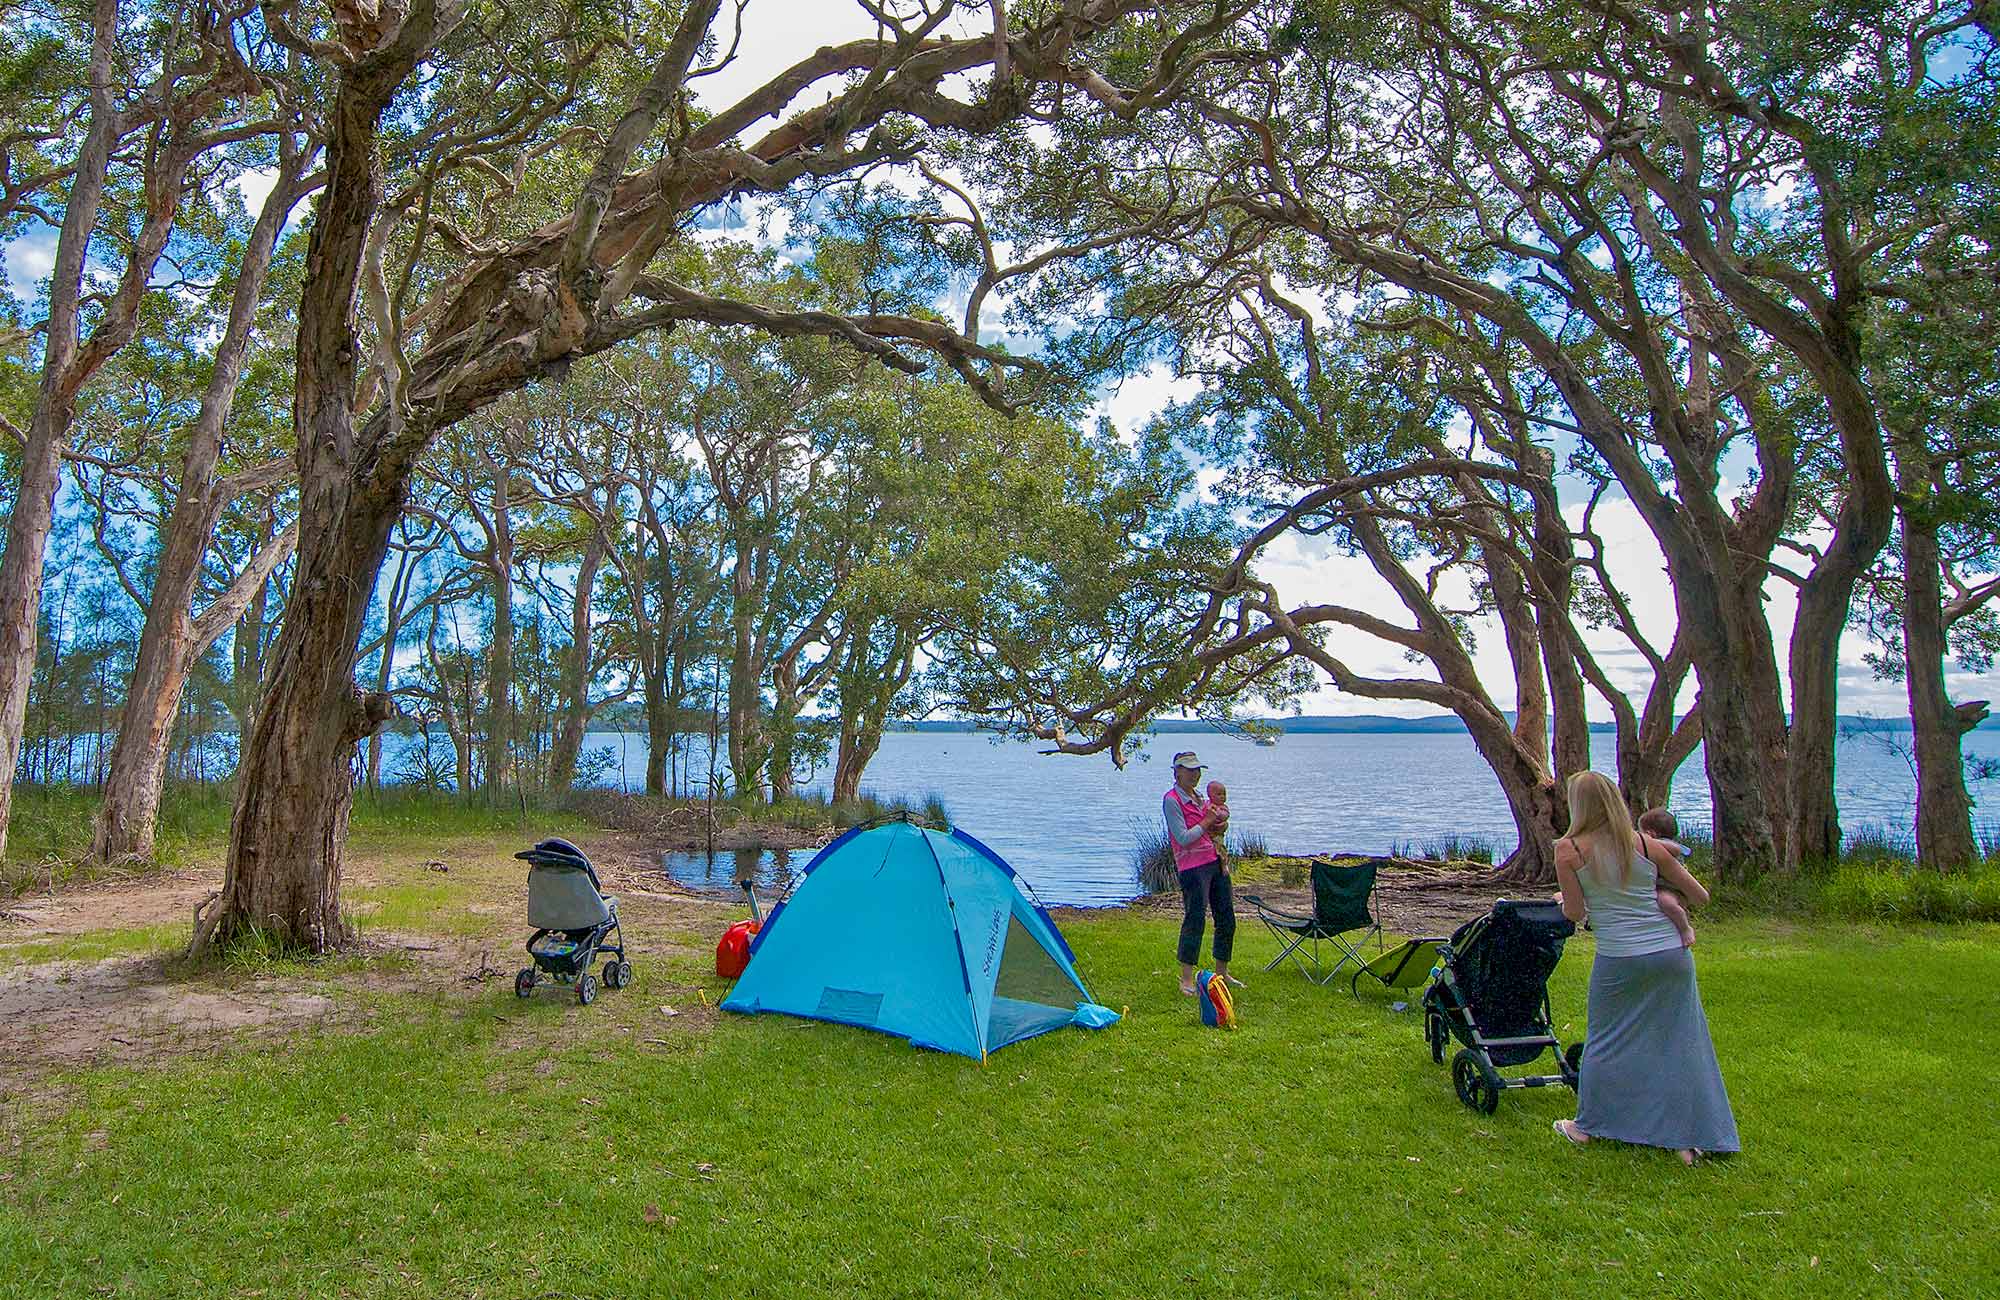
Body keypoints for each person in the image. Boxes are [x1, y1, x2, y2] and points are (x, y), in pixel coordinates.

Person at [1551, 771, 1739, 1164]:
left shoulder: (1569, 850)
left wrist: (1574, 899)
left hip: (1619, 957)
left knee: (1605, 1040)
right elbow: (1699, 896)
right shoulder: (1645, 844)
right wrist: (1656, 896)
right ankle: (1685, 1141)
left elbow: (1574, 912)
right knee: (1678, 1044)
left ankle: (1586, 1127)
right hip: (1670, 955)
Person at [1164, 752, 1236, 997]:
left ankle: (1221, 972)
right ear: (1177, 772)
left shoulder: (1200, 797)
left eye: (1198, 770)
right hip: (1193, 867)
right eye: (1190, 770)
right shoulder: (1172, 800)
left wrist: (1219, 825)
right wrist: (1207, 822)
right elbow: (1183, 838)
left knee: (1226, 916)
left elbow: (1213, 823)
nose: (1195, 775)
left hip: (1215, 861)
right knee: (1195, 919)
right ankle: (1186, 978)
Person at [1637, 807, 1696, 948]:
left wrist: (1647, 842)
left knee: (1666, 902)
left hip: (1670, 887)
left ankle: (1685, 928)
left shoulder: (1668, 845)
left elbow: (1677, 850)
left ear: (1650, 833)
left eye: (1641, 832)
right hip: (1657, 885)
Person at [1205, 778, 1232, 865]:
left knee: (1220, 847)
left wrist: (1217, 812)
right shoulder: (1207, 804)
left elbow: (1225, 816)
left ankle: (1224, 865)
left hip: (1217, 834)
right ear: (1210, 795)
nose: (1222, 797)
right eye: (1219, 794)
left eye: (1224, 794)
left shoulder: (1222, 807)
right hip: (1208, 833)